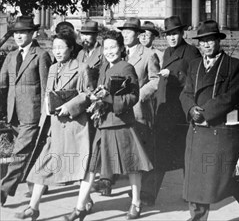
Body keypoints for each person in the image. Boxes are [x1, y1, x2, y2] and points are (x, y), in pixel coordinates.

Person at [61, 31, 152, 221]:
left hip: (121, 124)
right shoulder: (102, 68)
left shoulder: (126, 67)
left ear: (121, 48)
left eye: (113, 47)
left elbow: (133, 96)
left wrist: (110, 98)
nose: (110, 51)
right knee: (92, 168)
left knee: (132, 166)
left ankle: (135, 203)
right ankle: (79, 208)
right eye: (107, 47)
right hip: (103, 124)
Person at [180, 20, 239, 221]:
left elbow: (231, 97)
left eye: (210, 40)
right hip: (197, 130)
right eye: (202, 41)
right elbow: (186, 92)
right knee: (196, 178)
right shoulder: (194, 65)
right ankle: (198, 216)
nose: (206, 45)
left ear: (218, 41)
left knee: (228, 179)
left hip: (219, 130)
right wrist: (191, 109)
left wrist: (204, 113)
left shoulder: (235, 66)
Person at [15, 32, 91, 221]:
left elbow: (88, 94)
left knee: (79, 167)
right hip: (52, 126)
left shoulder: (82, 68)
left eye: (61, 47)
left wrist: (70, 106)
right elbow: (48, 93)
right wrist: (45, 114)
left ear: (71, 48)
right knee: (42, 166)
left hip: (74, 126)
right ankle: (33, 207)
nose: (57, 51)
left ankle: (84, 203)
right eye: (54, 47)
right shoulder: (53, 68)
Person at [141, 15, 200, 205]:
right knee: (158, 152)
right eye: (169, 34)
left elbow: (196, 80)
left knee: (185, 155)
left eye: (175, 34)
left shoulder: (191, 52)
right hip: (165, 110)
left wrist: (174, 75)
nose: (172, 38)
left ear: (182, 33)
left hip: (182, 111)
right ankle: (148, 195)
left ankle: (190, 193)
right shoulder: (166, 52)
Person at [0, 16, 51, 207]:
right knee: (29, 150)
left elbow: (47, 87)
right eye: (16, 32)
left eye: (23, 32)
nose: (19, 36)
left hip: (32, 112)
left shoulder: (41, 55)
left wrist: (46, 115)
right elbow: (2, 84)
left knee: (20, 152)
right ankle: (36, 182)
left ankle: (4, 190)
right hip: (13, 113)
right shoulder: (11, 55)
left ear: (32, 34)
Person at [117, 18, 160, 197]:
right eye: (123, 31)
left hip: (138, 110)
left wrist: (140, 96)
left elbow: (155, 80)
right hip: (118, 110)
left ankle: (144, 193)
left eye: (130, 31)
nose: (125, 35)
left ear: (138, 34)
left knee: (143, 151)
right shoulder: (118, 53)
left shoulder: (148, 54)